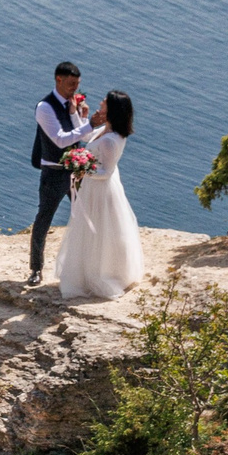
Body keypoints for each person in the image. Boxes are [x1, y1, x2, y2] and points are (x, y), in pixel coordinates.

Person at [57, 89, 146, 299]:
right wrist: (79, 114)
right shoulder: (107, 131)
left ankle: (98, 274)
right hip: (94, 188)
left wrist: (82, 168)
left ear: (112, 110)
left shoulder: (110, 140)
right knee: (97, 231)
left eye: (104, 103)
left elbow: (106, 172)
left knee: (97, 231)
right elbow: (88, 136)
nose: (100, 104)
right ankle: (90, 271)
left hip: (100, 190)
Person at [27, 61, 90, 285]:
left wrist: (80, 116)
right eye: (71, 84)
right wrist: (90, 124)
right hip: (53, 171)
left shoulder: (71, 104)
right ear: (59, 80)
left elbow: (80, 136)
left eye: (78, 84)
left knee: (87, 215)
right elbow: (61, 139)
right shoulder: (45, 107)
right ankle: (35, 268)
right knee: (44, 219)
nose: (75, 89)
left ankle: (87, 265)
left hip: (75, 171)